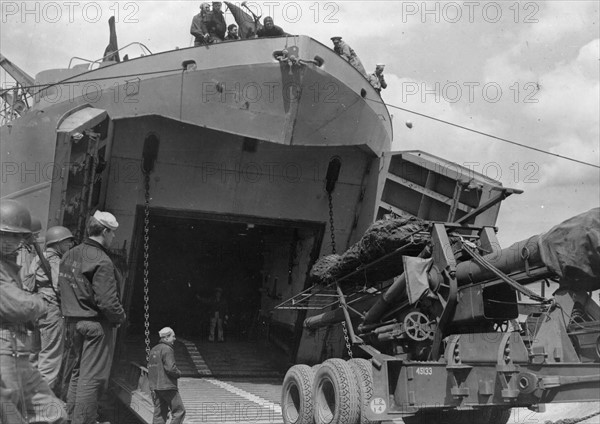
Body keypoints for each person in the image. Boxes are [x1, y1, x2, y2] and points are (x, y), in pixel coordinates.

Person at [0, 199, 66, 424]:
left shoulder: (10, 263)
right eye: (5, 235)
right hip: (3, 349)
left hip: (18, 348)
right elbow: (16, 305)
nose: (12, 242)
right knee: (9, 414)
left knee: (53, 412)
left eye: (17, 237)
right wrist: (39, 303)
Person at [59, 210, 126, 424]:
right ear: (104, 231)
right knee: (93, 378)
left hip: (71, 322)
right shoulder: (102, 261)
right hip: (95, 326)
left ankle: (72, 415)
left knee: (77, 371)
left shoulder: (70, 254)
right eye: (112, 233)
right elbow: (107, 302)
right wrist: (120, 317)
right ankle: (84, 420)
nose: (113, 237)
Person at [28, 226, 75, 392]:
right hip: (51, 311)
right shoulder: (55, 261)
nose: (70, 245)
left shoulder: (37, 259)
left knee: (34, 356)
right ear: (58, 243)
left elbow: (28, 284)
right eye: (67, 241)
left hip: (35, 307)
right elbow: (60, 286)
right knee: (50, 359)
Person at [148, 327, 185, 424]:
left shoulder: (153, 349)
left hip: (155, 386)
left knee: (159, 414)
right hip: (167, 386)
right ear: (167, 337)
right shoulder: (167, 349)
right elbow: (170, 368)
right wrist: (178, 373)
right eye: (173, 336)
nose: (174, 339)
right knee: (179, 411)